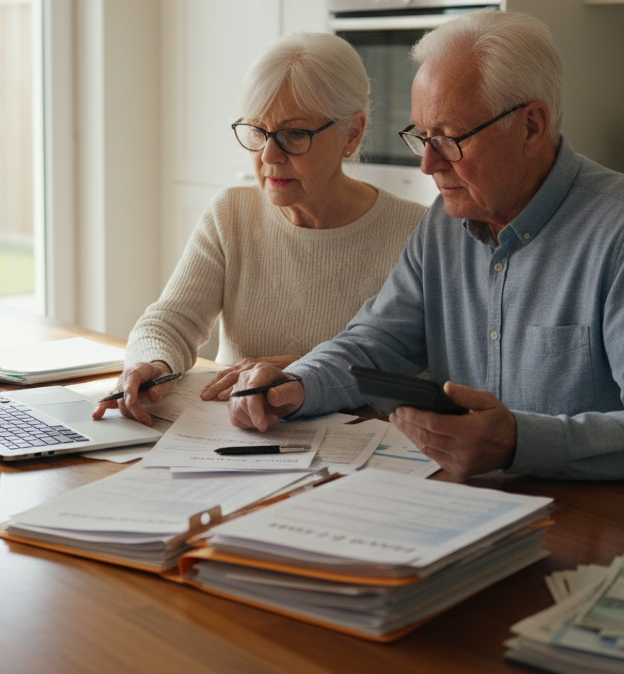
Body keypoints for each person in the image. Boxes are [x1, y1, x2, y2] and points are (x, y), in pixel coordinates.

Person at [227, 10, 624, 485]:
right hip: (470, 508)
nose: (428, 165)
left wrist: (520, 442)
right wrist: (297, 383)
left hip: (603, 521)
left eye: (448, 138)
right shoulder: (443, 224)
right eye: (421, 137)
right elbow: (373, 345)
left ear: (531, 126)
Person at [95, 32, 427, 425]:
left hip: (355, 450)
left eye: (294, 134)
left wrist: (301, 370)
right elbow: (170, 320)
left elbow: (422, 372)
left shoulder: (414, 232)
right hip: (234, 437)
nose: (269, 155)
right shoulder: (232, 213)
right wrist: (152, 363)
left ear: (352, 133)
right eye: (258, 131)